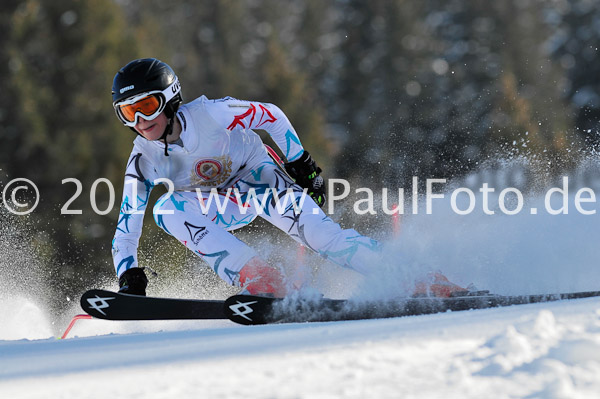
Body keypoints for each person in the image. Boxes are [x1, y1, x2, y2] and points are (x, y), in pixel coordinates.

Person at [110, 57, 466, 298]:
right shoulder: (143, 159)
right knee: (167, 208)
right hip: (218, 205)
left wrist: (301, 163)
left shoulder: (211, 114)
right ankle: (260, 279)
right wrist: (127, 274)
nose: (140, 121)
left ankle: (424, 281)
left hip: (260, 182)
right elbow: (128, 224)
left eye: (147, 106)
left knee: (323, 237)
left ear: (169, 98)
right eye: (129, 112)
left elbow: (270, 115)